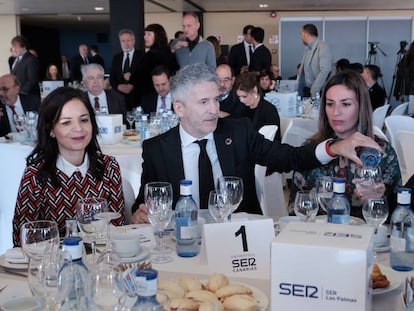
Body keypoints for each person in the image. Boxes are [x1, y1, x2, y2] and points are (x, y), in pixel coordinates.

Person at [130, 63, 381, 224]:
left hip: (240, 241)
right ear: (179, 108)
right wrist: (138, 214)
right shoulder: (156, 149)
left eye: (216, 100)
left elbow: (289, 157)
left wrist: (332, 147)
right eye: (204, 102)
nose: (214, 110)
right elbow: (146, 202)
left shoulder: (238, 132)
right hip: (184, 243)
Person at [12, 87, 125, 246]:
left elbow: (118, 226)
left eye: (84, 120)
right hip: (53, 265)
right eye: (66, 123)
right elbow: (22, 239)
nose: (78, 129)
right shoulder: (36, 175)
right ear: (51, 130)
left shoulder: (108, 166)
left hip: (102, 261)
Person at [290, 70, 401, 219]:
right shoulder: (312, 151)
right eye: (330, 104)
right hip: (318, 237)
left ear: (360, 106)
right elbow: (295, 210)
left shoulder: (382, 153)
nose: (336, 112)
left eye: (346, 104)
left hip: (366, 237)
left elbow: (399, 214)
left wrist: (377, 199)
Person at [234, 71, 281, 142]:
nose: (241, 100)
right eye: (239, 96)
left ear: (255, 91)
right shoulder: (240, 108)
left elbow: (273, 141)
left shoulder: (269, 110)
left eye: (244, 96)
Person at [138, 23, 178, 97]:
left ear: (157, 36)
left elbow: (142, 80)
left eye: (149, 34)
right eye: (145, 34)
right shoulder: (170, 53)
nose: (145, 37)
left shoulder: (149, 56)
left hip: (151, 96)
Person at [110, 29, 145, 111]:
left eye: (128, 40)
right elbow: (112, 78)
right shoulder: (116, 58)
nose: (126, 44)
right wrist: (118, 87)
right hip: (119, 101)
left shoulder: (143, 56)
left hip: (138, 100)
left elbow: (145, 77)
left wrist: (133, 84)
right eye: (123, 41)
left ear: (133, 41)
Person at [297, 24, 333, 98]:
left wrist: (314, 90)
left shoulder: (322, 46)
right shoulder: (308, 49)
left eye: (301, 34)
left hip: (318, 91)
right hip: (307, 90)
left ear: (306, 34)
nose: (301, 37)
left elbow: (325, 70)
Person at [10, 35, 41, 100]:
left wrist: (20, 94)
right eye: (13, 47)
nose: (14, 50)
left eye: (17, 47)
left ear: (24, 47)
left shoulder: (31, 59)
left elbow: (32, 80)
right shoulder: (16, 59)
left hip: (29, 97)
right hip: (19, 96)